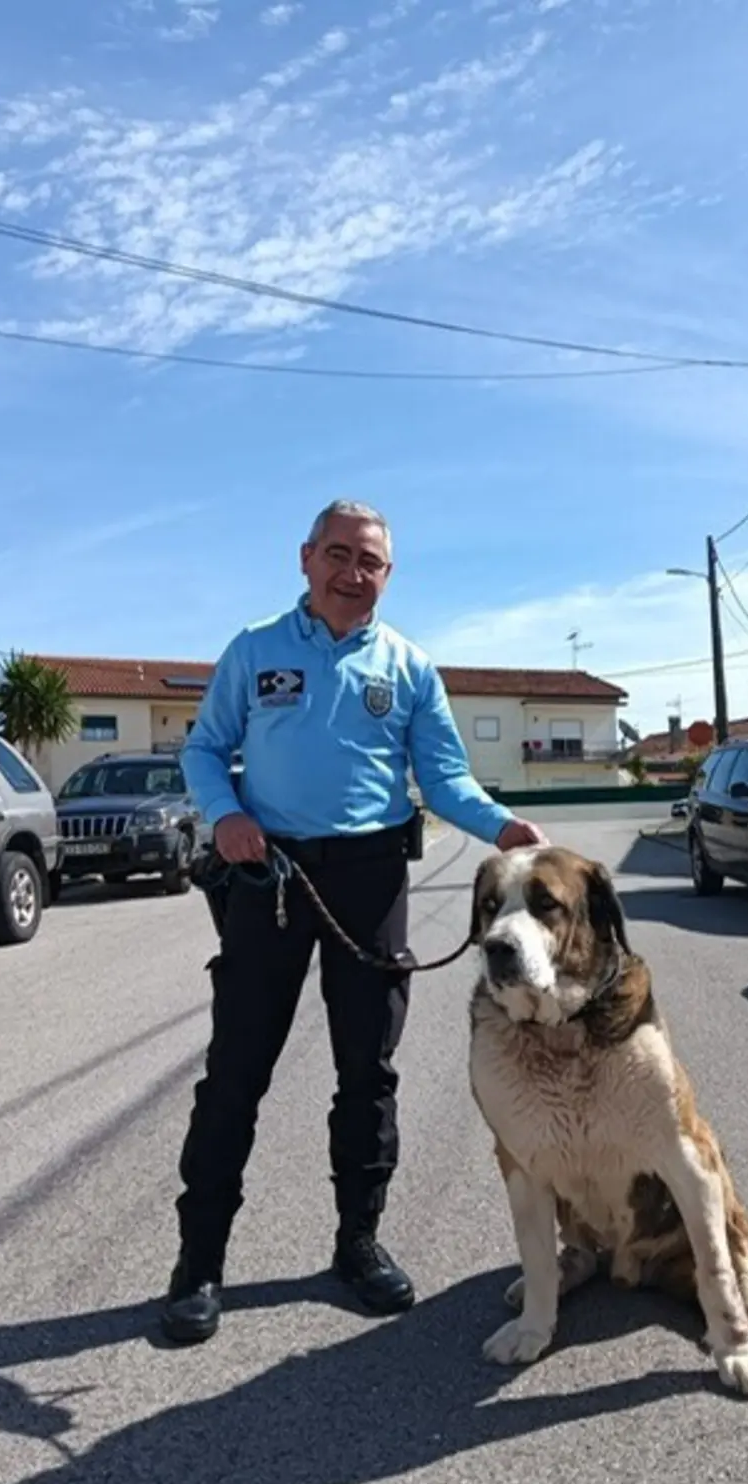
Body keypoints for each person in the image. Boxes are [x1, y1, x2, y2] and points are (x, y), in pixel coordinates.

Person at [162, 499, 547, 1343]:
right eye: (338, 554)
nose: (352, 572)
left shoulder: (408, 668)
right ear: (305, 558)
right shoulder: (255, 650)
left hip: (371, 878)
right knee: (236, 1071)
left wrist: (504, 827)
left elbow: (444, 780)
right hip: (268, 874)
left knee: (366, 1073)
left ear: (387, 573)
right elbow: (202, 747)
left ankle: (358, 1241)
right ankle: (199, 1261)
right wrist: (223, 812)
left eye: (369, 560)